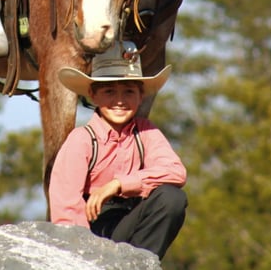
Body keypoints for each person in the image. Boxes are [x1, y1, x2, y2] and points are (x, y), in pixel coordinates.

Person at [49, 41, 187, 260]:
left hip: (131, 220)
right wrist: (83, 255)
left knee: (172, 198)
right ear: (93, 96)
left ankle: (140, 264)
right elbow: (67, 207)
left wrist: (118, 185)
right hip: (94, 231)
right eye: (109, 91)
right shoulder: (82, 139)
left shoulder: (145, 132)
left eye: (129, 91)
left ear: (141, 96)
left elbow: (176, 172)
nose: (120, 101)